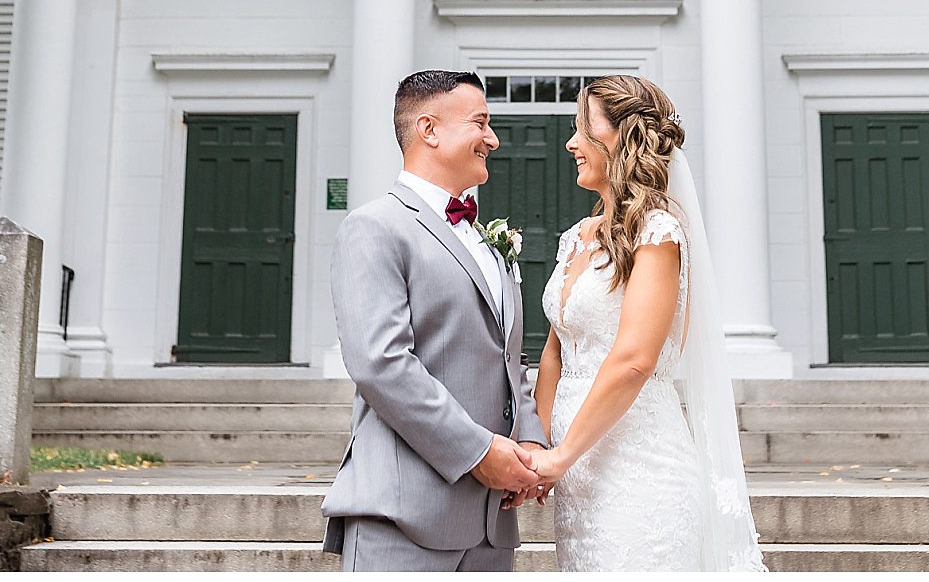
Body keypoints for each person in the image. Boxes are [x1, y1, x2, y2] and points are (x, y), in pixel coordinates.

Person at [516, 74, 765, 571]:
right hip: (577, 476)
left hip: (640, 472)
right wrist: (540, 451)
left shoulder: (659, 233)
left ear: (621, 137)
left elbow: (634, 360)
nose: (571, 144)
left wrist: (561, 455)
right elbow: (555, 351)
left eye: (583, 130)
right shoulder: (575, 238)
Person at [321, 69, 548, 570]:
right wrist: (479, 453)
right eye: (480, 123)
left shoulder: (490, 241)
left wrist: (530, 438)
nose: (493, 138)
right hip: (404, 517)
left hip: (492, 529)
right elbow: (380, 364)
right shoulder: (374, 227)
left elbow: (509, 359)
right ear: (429, 130)